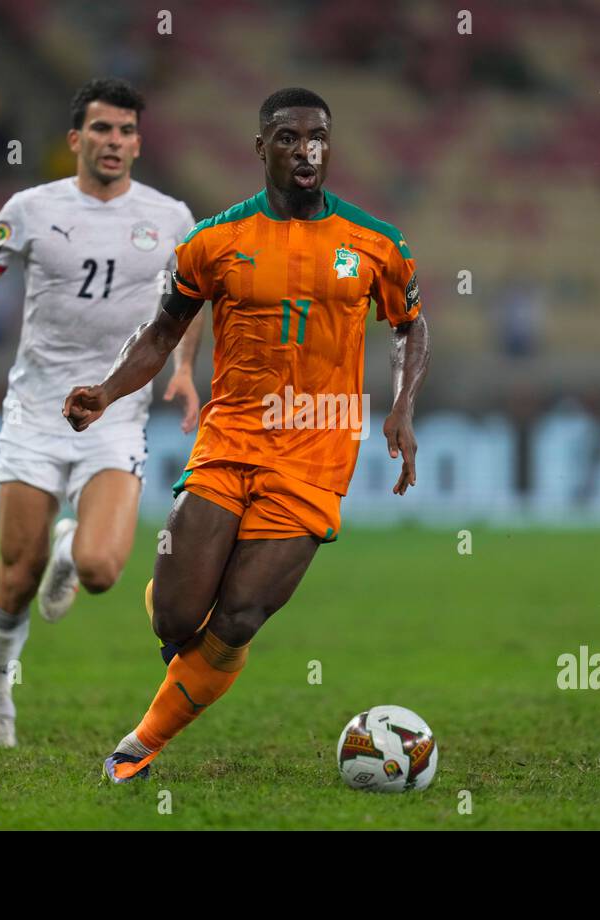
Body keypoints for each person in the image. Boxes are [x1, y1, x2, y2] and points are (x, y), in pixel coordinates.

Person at [63, 87, 431, 782]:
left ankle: (137, 748)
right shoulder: (214, 241)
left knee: (238, 617)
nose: (306, 150)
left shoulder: (376, 244)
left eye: (318, 137)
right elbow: (164, 330)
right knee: (176, 618)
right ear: (262, 149)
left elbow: (412, 325)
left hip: (317, 454)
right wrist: (106, 391)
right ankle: (180, 630)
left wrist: (403, 407)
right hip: (230, 441)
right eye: (289, 138)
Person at [0, 78, 206, 748]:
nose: (113, 142)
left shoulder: (172, 218)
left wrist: (181, 369)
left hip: (114, 413)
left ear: (138, 143)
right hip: (35, 414)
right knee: (14, 577)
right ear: (76, 140)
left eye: (124, 131)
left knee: (99, 571)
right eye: (100, 130)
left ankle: (71, 545)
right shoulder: (31, 208)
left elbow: (191, 302)